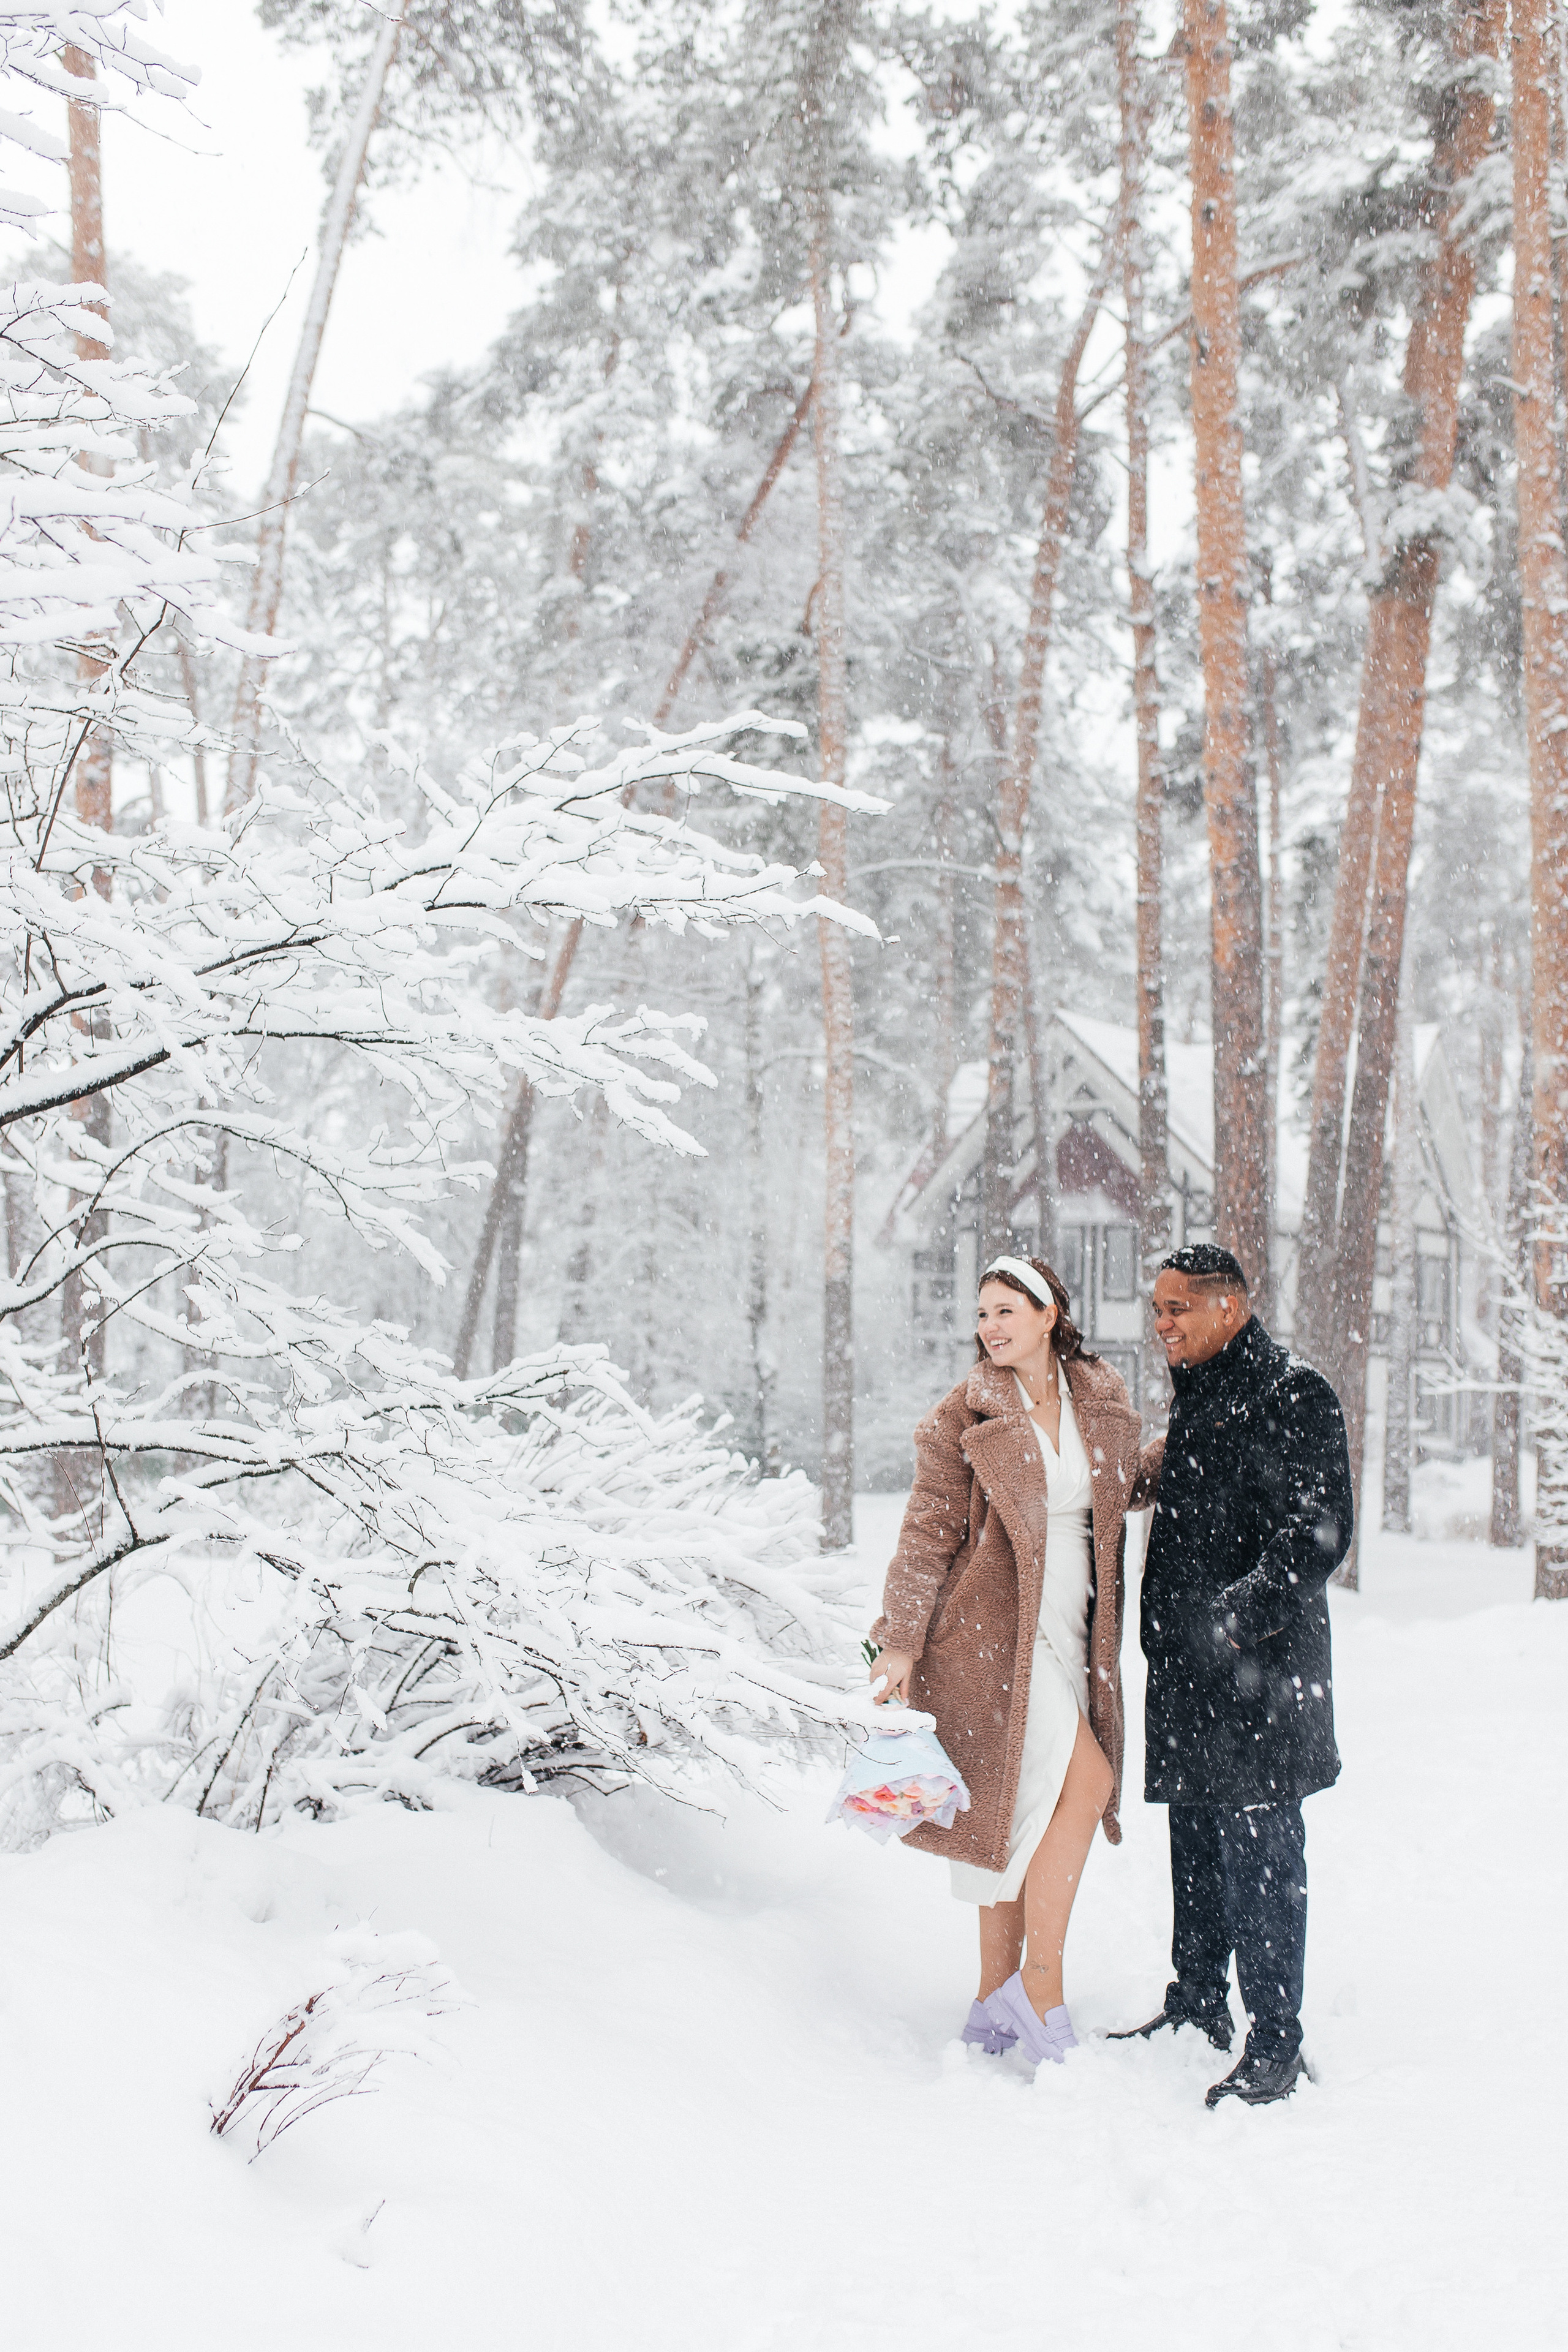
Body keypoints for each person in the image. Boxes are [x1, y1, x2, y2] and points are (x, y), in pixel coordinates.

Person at [870, 1254, 1145, 2068]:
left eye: (1006, 1311)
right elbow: (926, 1533)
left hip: (1074, 1625)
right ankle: (1041, 1984)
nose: (990, 1327)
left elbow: (1119, 1488)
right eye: (982, 1314)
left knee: (1020, 1815)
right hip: (995, 1635)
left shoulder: (1099, 1398)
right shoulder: (963, 1417)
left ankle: (994, 2001)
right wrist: (900, 1640)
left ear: (1050, 1313)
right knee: (1086, 1786)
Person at [1111, 1243, 1353, 2108]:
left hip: (1262, 1679)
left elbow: (1319, 1533)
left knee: (1261, 1856)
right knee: (1197, 1849)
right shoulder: (1196, 1400)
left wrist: (1230, 1623)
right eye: (1157, 1310)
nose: (1162, 1324)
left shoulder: (1295, 1393)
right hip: (1186, 1674)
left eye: (1177, 1308)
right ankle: (1198, 2001)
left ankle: (1277, 2042)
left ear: (1228, 1307)